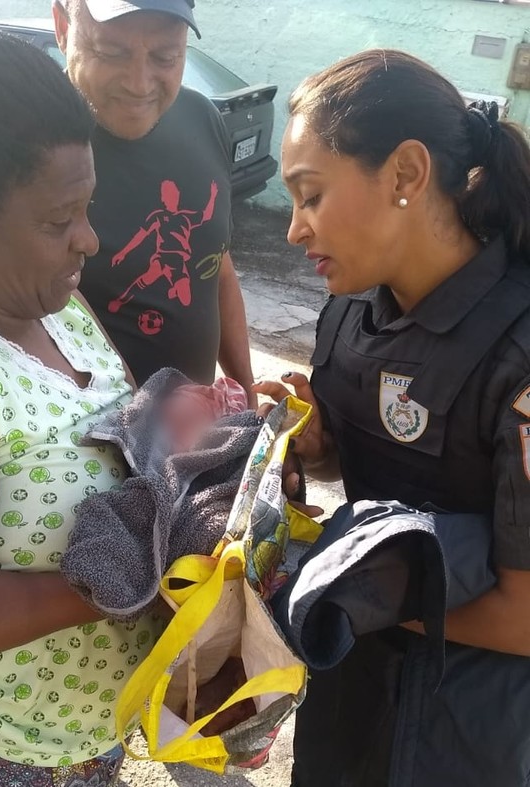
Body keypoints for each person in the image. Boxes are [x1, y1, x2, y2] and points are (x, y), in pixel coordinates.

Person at [254, 49, 530, 786]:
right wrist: (307, 442)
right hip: (349, 678)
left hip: (466, 724)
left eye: (310, 195)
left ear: (406, 173)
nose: (293, 230)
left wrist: (333, 588)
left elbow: (526, 614)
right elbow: (371, 467)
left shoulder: (518, 354)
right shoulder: (351, 309)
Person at [0, 27, 161, 787]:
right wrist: (102, 585)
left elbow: (131, 437)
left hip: (92, 733)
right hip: (8, 752)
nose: (88, 240)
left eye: (87, 209)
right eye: (59, 220)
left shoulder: (56, 303)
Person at [52, 0, 256, 402]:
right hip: (89, 450)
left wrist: (247, 401)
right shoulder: (29, 143)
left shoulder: (202, 119)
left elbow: (215, 268)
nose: (140, 83)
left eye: (166, 56)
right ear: (62, 26)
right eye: (112, 52)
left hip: (195, 436)